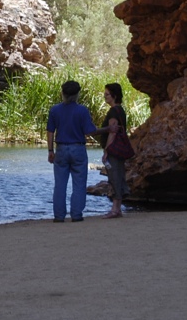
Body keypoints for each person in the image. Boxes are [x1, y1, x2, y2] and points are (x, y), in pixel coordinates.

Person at [46, 80, 98, 222]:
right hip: (78, 148)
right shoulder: (82, 110)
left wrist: (50, 150)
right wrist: (105, 130)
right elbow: (89, 131)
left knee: (60, 184)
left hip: (61, 148)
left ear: (62, 93)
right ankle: (76, 214)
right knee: (79, 183)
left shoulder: (55, 110)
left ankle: (59, 216)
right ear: (77, 94)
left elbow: (50, 131)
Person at [99, 83, 129, 219]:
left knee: (114, 176)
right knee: (119, 175)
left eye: (107, 95)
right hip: (120, 150)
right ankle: (117, 208)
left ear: (114, 96)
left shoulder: (113, 112)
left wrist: (106, 150)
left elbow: (113, 132)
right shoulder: (120, 110)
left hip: (114, 150)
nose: (105, 97)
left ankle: (115, 209)